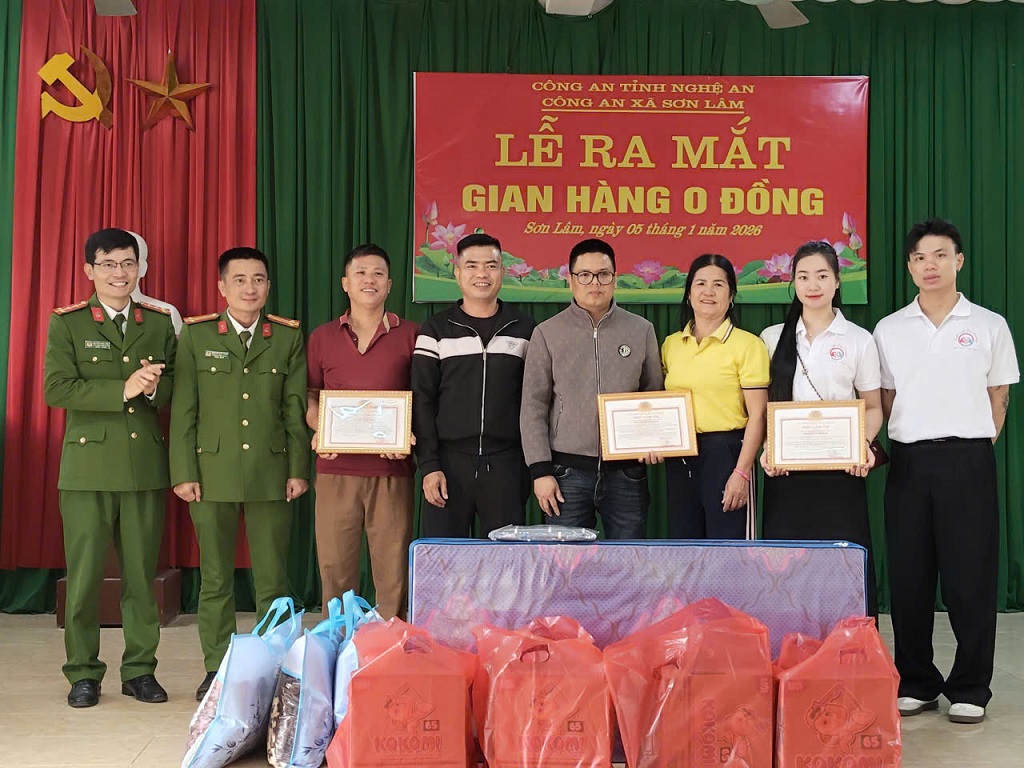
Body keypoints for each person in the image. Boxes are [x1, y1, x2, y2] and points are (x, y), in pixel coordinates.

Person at [874, 218, 1018, 725]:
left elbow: (999, 395)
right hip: (910, 461)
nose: (929, 265)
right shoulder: (889, 328)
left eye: (939, 255)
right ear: (909, 266)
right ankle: (916, 681)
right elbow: (885, 398)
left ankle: (971, 687)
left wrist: (975, 441)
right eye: (919, 257)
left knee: (970, 577)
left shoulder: (989, 325)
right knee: (909, 576)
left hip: (968, 460)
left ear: (959, 260)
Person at [44, 227, 176, 708]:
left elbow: (177, 387)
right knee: (83, 579)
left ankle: (140, 670)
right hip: (87, 470)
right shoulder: (68, 323)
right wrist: (123, 388)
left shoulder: (157, 322)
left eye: (127, 263)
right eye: (108, 264)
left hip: (143, 467)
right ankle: (83, 672)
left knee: (141, 577)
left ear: (140, 268)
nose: (119, 273)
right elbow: (56, 388)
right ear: (89, 270)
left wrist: (154, 388)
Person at [169, 246, 309, 701]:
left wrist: (298, 469)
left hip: (271, 473)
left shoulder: (286, 336)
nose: (251, 288)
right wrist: (183, 471)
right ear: (222, 287)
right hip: (211, 474)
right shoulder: (196, 336)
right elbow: (184, 408)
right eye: (241, 279)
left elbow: (293, 409)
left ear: (268, 286)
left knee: (273, 579)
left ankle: (274, 666)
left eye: (259, 279)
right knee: (215, 578)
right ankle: (218, 668)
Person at [758, 241, 882, 617]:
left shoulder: (858, 339)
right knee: (787, 572)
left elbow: (873, 407)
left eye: (822, 276)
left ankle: (851, 644)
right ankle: (789, 645)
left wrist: (862, 444)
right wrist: (768, 449)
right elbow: (762, 408)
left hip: (841, 473)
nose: (813, 285)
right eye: (803, 277)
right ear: (793, 282)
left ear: (837, 281)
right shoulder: (771, 338)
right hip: (786, 474)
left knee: (842, 569)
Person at [520, 238, 663, 539]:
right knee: (566, 563)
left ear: (615, 279)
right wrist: (540, 471)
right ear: (571, 280)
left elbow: (653, 395)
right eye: (584, 275)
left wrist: (655, 440)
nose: (594, 283)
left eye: (603, 274)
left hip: (627, 474)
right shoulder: (547, 333)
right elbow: (533, 406)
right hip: (565, 475)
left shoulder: (641, 330)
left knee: (628, 559)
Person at [306, 244, 418, 618]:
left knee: (392, 571)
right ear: (345, 283)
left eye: (378, 274)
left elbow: (423, 398)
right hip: (336, 470)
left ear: (390, 284)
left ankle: (391, 645)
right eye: (361, 273)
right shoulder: (322, 337)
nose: (369, 280)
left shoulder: (412, 335)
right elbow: (310, 395)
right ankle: (338, 643)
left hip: (392, 471)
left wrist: (408, 433)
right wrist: (320, 428)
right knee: (335, 569)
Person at [412, 233, 535, 538]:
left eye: (491, 266)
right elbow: (422, 401)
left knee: (506, 561)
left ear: (502, 272)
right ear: (457, 272)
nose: (482, 274)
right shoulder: (435, 329)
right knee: (445, 558)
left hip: (507, 466)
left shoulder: (526, 329)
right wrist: (429, 465)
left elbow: (535, 401)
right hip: (447, 465)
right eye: (472, 266)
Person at [661, 253, 769, 540]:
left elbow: (758, 415)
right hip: (680, 457)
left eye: (718, 285)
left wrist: (741, 473)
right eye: (700, 284)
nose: (708, 292)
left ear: (731, 295)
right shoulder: (671, 345)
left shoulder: (748, 345)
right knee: (685, 546)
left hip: (727, 455)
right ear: (688, 294)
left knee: (728, 549)